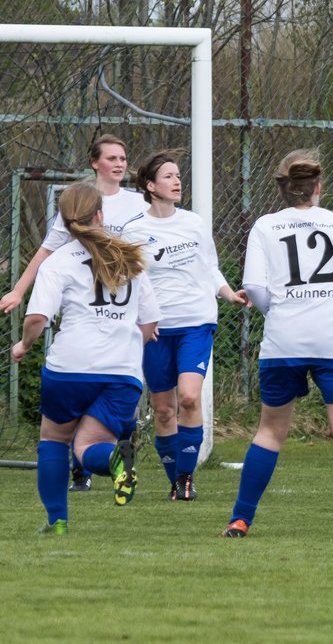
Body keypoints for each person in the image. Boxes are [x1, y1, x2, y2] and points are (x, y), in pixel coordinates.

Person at [223, 149, 333, 539]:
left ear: (283, 189)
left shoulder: (265, 227)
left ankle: (240, 519)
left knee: (269, 432)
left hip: (284, 342)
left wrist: (277, 315)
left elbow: (257, 289)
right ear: (318, 187)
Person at [10, 182, 159, 534]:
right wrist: (124, 344)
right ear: (99, 214)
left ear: (63, 219)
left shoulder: (58, 261)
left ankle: (57, 521)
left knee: (54, 440)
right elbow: (150, 321)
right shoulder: (131, 257)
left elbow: (36, 319)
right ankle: (113, 460)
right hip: (123, 372)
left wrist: (25, 345)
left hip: (70, 368)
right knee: (89, 444)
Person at [1, 134, 146, 493]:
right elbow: (47, 252)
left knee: (70, 410)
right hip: (96, 323)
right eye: (111, 157)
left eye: (123, 157)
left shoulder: (137, 205)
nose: (119, 163)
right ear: (94, 162)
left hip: (117, 321)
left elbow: (149, 256)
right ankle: (88, 467)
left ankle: (63, 506)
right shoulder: (77, 204)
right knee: (95, 400)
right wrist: (19, 290)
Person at [126, 150, 250, 502]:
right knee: (163, 409)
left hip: (196, 322)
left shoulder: (194, 223)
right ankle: (174, 483)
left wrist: (229, 294)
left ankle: (186, 479)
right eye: (168, 176)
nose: (177, 181)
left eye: (178, 175)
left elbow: (209, 268)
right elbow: (129, 282)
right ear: (150, 186)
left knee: (190, 398)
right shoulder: (134, 231)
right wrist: (140, 323)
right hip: (156, 330)